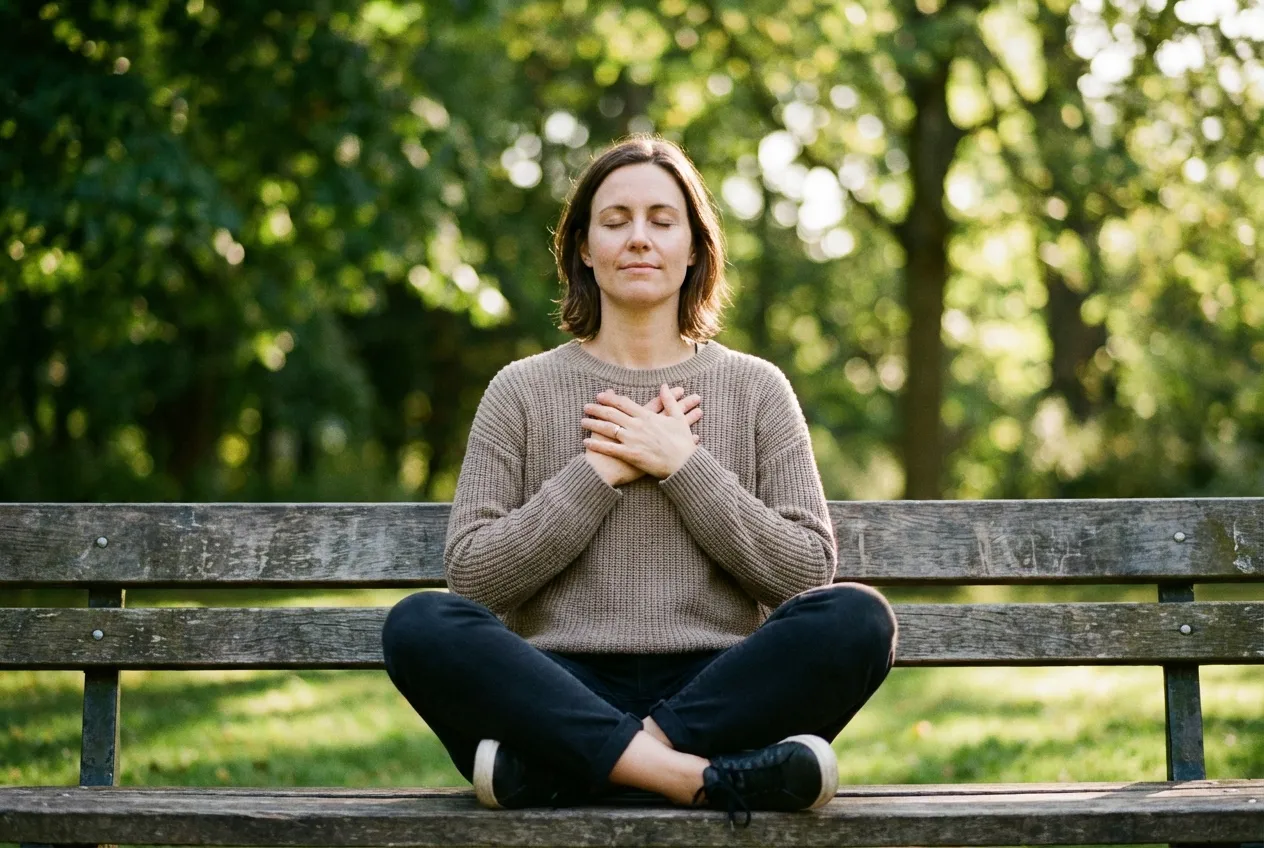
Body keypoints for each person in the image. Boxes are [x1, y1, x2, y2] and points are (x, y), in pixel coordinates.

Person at [381, 135, 897, 825]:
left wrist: (682, 465)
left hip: (717, 687)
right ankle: (701, 780)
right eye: (615, 220)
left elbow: (805, 574)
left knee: (858, 618)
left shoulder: (757, 389)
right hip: (557, 684)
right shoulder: (521, 391)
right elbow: (473, 579)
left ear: (694, 250)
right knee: (420, 625)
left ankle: (566, 773)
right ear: (585, 250)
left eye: (662, 219)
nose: (639, 239)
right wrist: (597, 473)